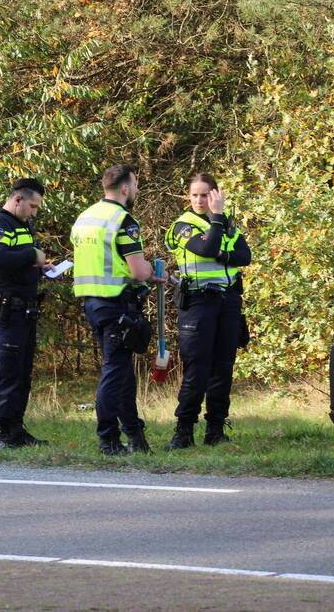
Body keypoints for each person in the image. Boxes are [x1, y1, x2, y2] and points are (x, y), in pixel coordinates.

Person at [71, 165, 166, 455]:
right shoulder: (123, 221)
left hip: (92, 304)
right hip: (116, 305)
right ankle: (108, 439)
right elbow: (138, 271)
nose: (136, 190)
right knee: (114, 373)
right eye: (135, 185)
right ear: (124, 188)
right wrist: (150, 270)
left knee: (122, 373)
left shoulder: (85, 217)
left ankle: (135, 437)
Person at [164, 173, 251, 449]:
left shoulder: (228, 225)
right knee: (197, 369)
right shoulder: (182, 225)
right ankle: (184, 431)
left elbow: (244, 256)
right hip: (198, 302)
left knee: (223, 368)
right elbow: (206, 248)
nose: (200, 200)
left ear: (216, 195)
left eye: (205, 195)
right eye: (195, 195)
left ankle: (215, 429)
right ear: (188, 197)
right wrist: (216, 220)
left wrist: (223, 253)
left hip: (228, 302)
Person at [0, 178, 56, 449]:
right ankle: (1, 433)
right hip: (8, 308)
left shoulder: (23, 224)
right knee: (9, 372)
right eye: (33, 206)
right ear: (17, 199)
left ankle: (16, 429)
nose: (34, 212)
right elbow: (0, 260)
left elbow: (23, 260)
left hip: (26, 308)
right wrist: (33, 257)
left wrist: (41, 268)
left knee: (24, 372)